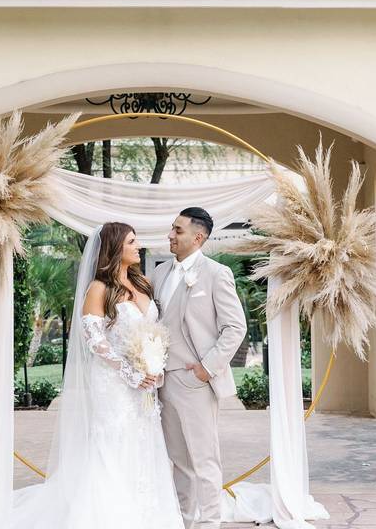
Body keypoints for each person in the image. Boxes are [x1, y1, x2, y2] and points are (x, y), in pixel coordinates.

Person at [1, 222, 184, 529]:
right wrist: (128, 371)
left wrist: (154, 367)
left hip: (145, 386)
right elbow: (94, 339)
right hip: (114, 383)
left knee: (143, 443)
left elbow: (152, 334)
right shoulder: (98, 289)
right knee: (113, 443)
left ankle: (145, 513)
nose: (137, 246)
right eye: (131, 241)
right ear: (115, 249)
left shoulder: (142, 284)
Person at [151, 207, 248, 529]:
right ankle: (183, 520)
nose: (170, 235)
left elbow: (235, 327)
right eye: (171, 229)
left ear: (198, 237)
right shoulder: (160, 273)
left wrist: (207, 368)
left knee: (204, 459)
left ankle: (210, 523)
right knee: (178, 460)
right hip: (163, 380)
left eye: (177, 230)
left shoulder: (216, 274)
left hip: (196, 381)